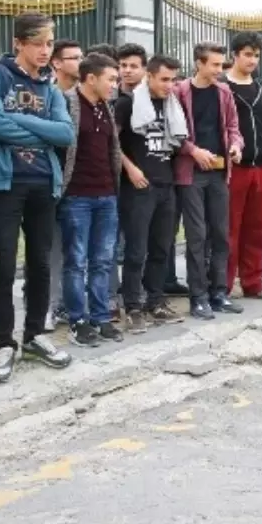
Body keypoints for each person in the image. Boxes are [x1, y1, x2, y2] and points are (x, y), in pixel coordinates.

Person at [0, 13, 75, 385]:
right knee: (2, 266)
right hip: (4, 184)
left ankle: (35, 335)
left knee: (40, 264)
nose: (45, 51)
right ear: (19, 43)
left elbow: (65, 134)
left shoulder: (51, 89)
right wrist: (41, 130)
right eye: (38, 43)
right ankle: (3, 343)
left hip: (42, 184)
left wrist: (19, 122)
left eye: (50, 44)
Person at [115, 55, 187, 332]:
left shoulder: (172, 105)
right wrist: (130, 168)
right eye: (164, 79)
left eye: (174, 80)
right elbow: (112, 140)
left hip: (165, 184)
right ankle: (133, 306)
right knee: (136, 251)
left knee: (161, 248)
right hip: (138, 188)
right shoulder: (128, 103)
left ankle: (155, 301)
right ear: (151, 76)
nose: (170, 85)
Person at [57, 52, 125, 347]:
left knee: (103, 260)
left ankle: (100, 317)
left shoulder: (105, 108)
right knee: (76, 261)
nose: (114, 84)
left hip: (107, 195)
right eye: (110, 79)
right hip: (76, 197)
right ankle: (78, 321)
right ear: (91, 78)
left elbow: (112, 149)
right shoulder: (67, 103)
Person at [174, 42, 244, 320]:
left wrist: (236, 147)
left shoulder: (224, 92)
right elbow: (172, 132)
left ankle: (219, 294)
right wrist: (193, 151)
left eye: (221, 64)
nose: (219, 69)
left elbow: (233, 129)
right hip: (190, 174)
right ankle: (198, 298)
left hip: (219, 172)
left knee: (220, 234)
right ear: (199, 64)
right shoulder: (180, 92)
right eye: (214, 64)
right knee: (197, 237)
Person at [225, 31, 262, 300]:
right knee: (230, 228)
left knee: (258, 228)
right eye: (247, 54)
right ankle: (223, 285)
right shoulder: (222, 88)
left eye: (256, 55)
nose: (252, 60)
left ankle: (253, 282)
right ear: (235, 55)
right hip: (234, 167)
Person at [44, 39, 83, 328]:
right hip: (48, 182)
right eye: (74, 57)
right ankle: (47, 305)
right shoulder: (45, 95)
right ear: (56, 63)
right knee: (49, 248)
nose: (81, 62)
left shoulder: (86, 95)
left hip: (78, 184)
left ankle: (68, 304)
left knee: (74, 250)